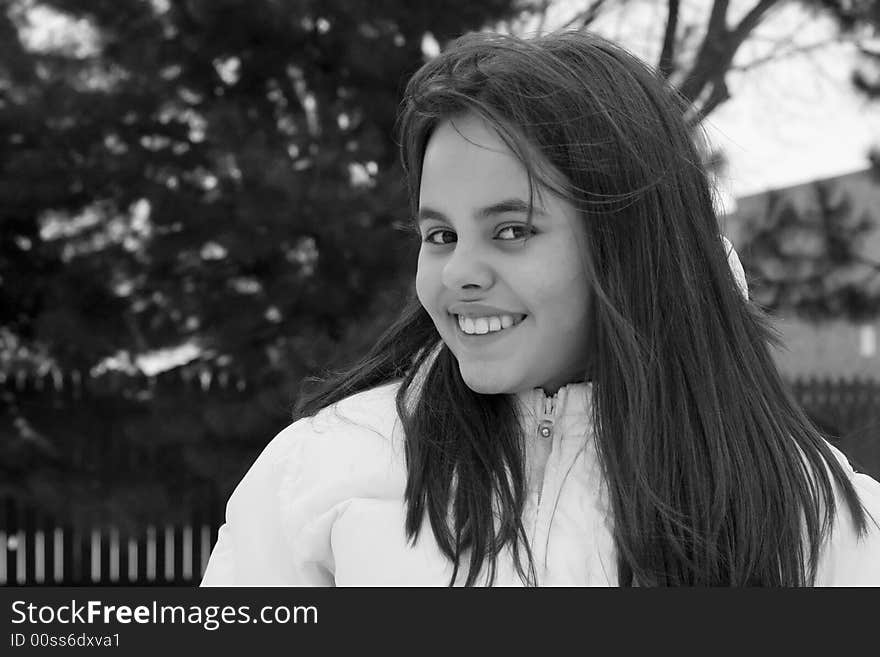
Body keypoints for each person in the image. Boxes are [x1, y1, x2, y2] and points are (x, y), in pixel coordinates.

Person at [201, 30, 880, 586]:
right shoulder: (324, 470)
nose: (460, 271)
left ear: (629, 244)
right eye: (441, 235)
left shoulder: (803, 504)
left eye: (512, 231)